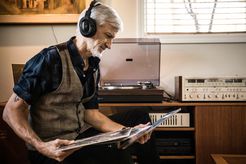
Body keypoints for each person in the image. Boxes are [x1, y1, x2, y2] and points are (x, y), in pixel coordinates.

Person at [2, 1, 160, 164]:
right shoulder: (49, 60)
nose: (110, 45)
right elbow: (10, 112)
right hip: (52, 149)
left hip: (78, 140)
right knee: (117, 153)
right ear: (87, 27)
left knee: (139, 116)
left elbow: (91, 114)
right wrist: (41, 146)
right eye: (108, 36)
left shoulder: (93, 64)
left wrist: (128, 132)